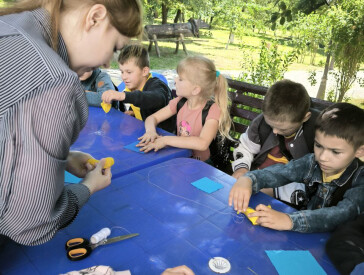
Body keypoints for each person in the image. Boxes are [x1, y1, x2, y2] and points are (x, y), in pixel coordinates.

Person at [0, 0, 142, 246]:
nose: (109, 63)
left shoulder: (8, 25)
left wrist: (62, 159)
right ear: (95, 17)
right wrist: (88, 187)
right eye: (116, 47)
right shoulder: (55, 83)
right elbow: (29, 222)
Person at [228, 103, 364, 233]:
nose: (322, 157)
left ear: (359, 151)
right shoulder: (311, 162)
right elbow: (281, 173)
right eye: (318, 145)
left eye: (335, 152)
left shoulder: (360, 179)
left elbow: (342, 214)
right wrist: (249, 179)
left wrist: (288, 220)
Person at [231, 79, 319, 209]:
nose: (275, 131)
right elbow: (245, 147)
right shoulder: (261, 122)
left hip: (288, 195)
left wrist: (273, 191)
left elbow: (313, 177)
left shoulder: (315, 134)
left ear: (305, 117)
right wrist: (241, 168)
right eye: (270, 125)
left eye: (283, 129)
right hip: (254, 179)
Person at [137, 55, 232, 163]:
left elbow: (202, 143)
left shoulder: (212, 109)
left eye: (180, 79)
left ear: (195, 90)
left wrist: (165, 140)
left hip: (201, 164)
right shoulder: (180, 102)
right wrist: (150, 131)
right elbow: (153, 118)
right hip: (179, 157)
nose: (175, 79)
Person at [101, 44, 175, 133]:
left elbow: (156, 98)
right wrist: (133, 112)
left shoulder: (157, 85)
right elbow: (139, 101)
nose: (124, 77)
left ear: (144, 71)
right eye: (122, 72)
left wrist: (123, 96)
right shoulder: (133, 86)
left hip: (165, 136)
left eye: (129, 72)